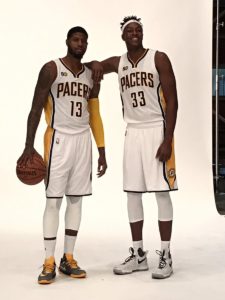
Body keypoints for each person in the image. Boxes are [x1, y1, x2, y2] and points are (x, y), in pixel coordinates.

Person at [17, 26, 107, 284]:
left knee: (76, 201)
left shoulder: (92, 74)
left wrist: (101, 149)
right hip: (58, 139)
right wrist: (28, 145)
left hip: (82, 142)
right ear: (67, 41)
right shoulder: (51, 69)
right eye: (76, 39)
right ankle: (48, 260)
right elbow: (35, 109)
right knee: (53, 201)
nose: (80, 44)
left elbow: (95, 114)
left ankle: (68, 257)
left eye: (84, 41)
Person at [90, 16, 178, 279]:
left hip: (156, 129)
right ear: (123, 36)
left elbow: (173, 100)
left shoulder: (158, 58)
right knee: (132, 194)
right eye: (130, 30)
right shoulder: (119, 63)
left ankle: (166, 254)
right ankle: (139, 255)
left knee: (161, 193)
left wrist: (168, 139)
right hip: (133, 133)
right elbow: (96, 66)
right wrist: (93, 64)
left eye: (138, 29)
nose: (135, 32)